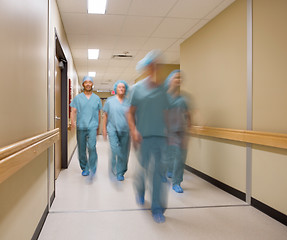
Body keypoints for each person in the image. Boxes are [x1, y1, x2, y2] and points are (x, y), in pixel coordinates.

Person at [127, 50, 169, 223]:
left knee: (158, 173)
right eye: (150, 65)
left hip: (160, 137)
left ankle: (157, 208)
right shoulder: (136, 89)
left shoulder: (163, 90)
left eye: (156, 65)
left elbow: (166, 113)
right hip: (142, 137)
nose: (153, 68)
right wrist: (134, 130)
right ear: (146, 68)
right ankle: (140, 190)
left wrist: (170, 133)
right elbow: (129, 114)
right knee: (142, 170)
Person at [70, 76, 102, 181]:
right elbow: (73, 110)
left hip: (92, 126)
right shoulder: (78, 98)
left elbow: (98, 113)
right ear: (83, 84)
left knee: (92, 147)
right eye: (86, 82)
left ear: (92, 84)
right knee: (82, 149)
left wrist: (98, 126)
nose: (88, 84)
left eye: (90, 82)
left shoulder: (97, 98)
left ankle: (92, 167)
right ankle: (84, 168)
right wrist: (72, 122)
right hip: (81, 126)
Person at [164, 70, 192, 193]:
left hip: (180, 132)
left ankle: (176, 182)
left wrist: (189, 127)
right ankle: (168, 171)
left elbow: (187, 114)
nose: (178, 80)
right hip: (166, 132)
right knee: (167, 156)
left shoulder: (183, 99)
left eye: (180, 78)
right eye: (176, 77)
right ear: (170, 80)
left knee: (180, 158)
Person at [102, 80, 130, 181]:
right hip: (112, 129)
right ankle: (114, 168)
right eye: (119, 87)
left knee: (124, 152)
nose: (121, 89)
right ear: (116, 89)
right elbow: (105, 115)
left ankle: (121, 172)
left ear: (125, 89)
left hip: (126, 130)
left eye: (123, 87)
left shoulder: (129, 102)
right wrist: (104, 129)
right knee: (115, 150)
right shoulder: (109, 101)